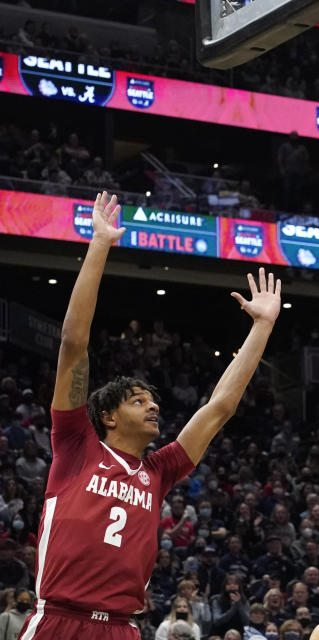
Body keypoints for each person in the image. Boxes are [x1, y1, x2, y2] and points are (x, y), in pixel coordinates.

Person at [19, 190, 282, 639]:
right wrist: (99, 244)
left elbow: (219, 408)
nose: (154, 405)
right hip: (58, 620)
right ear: (108, 416)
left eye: (153, 400)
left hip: (123, 628)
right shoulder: (76, 444)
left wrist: (261, 327)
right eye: (138, 401)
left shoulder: (158, 472)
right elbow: (73, 344)